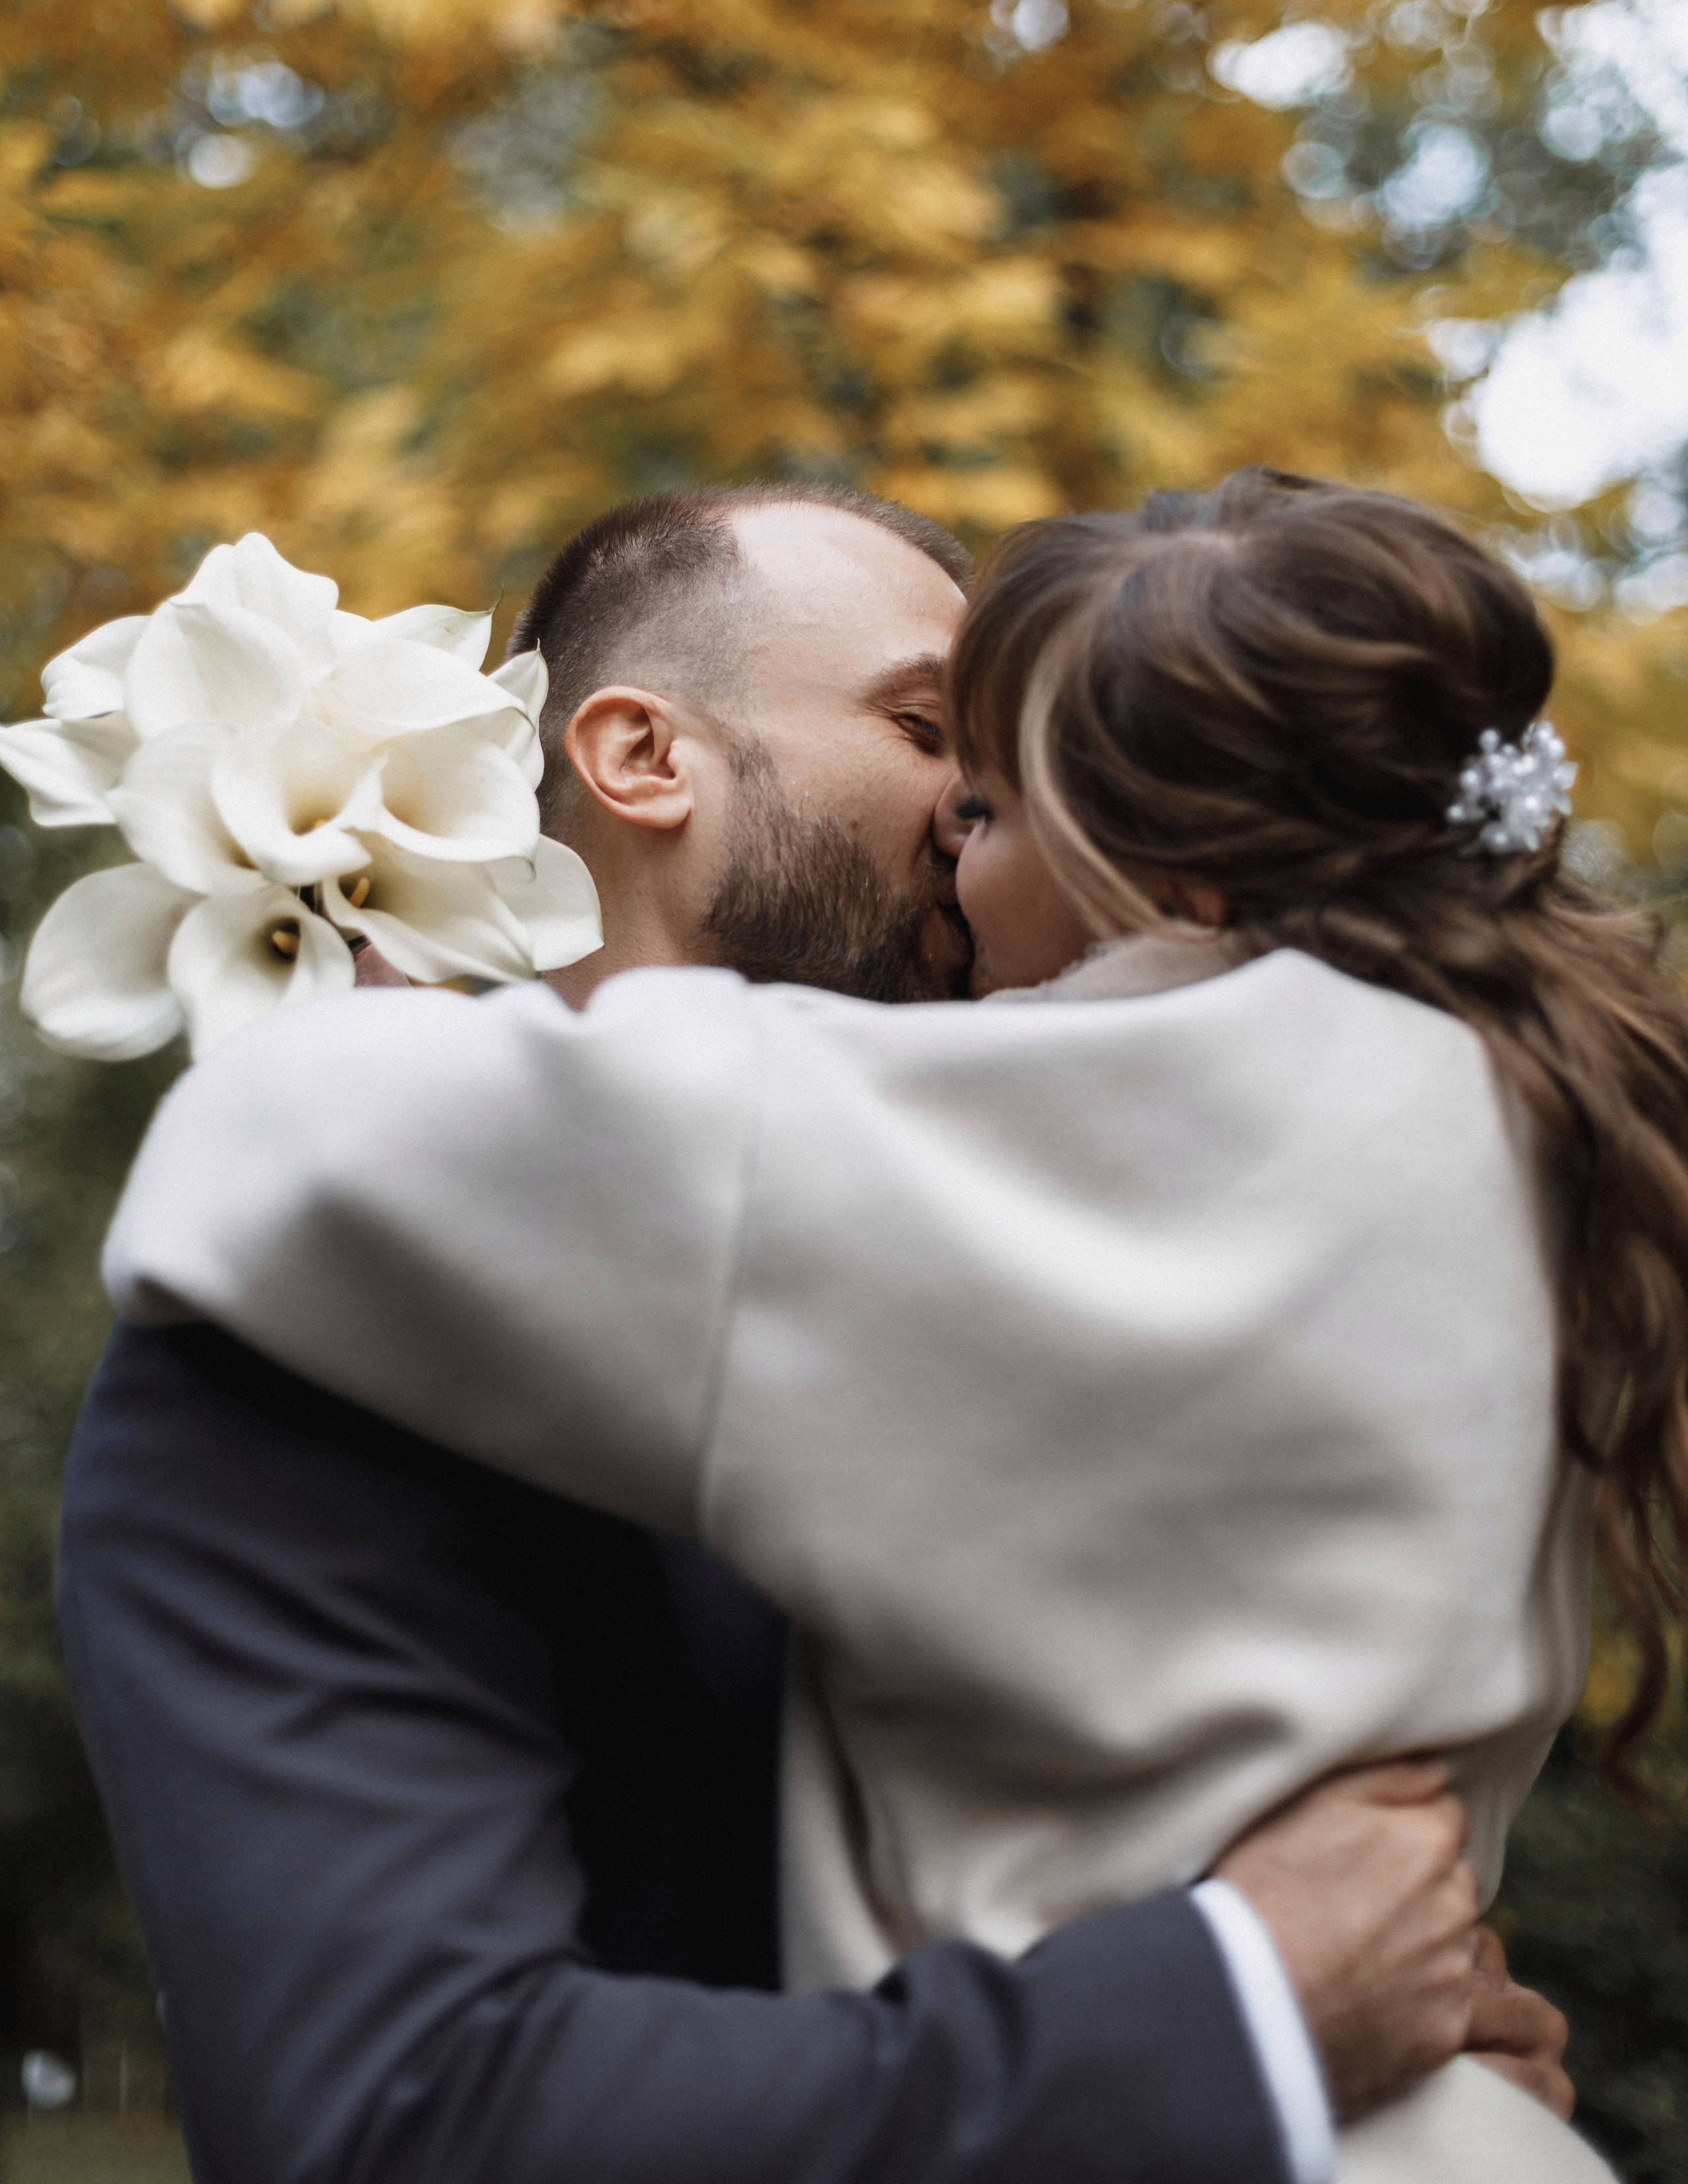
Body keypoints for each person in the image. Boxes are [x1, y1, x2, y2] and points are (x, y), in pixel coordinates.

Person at [80, 477, 1577, 2181]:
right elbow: (407, 2122)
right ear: (642, 757)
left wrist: (1390, 2045)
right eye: (937, 731)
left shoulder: (1086, 1284)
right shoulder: (305, 1336)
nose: (979, 816)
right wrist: (1242, 2010)